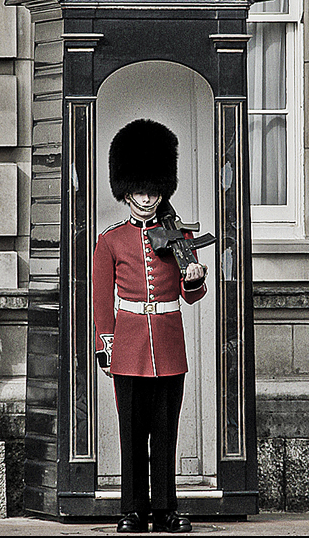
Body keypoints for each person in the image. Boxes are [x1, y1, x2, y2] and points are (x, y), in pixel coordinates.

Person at [93, 119, 208, 534]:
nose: (147, 198)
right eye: (140, 191)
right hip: (127, 345)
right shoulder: (110, 241)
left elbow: (190, 293)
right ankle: (132, 510)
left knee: (165, 434)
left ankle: (164, 509)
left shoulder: (178, 235)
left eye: (154, 191)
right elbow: (102, 301)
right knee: (132, 434)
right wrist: (105, 345)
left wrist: (194, 277)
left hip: (168, 343)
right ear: (125, 193)